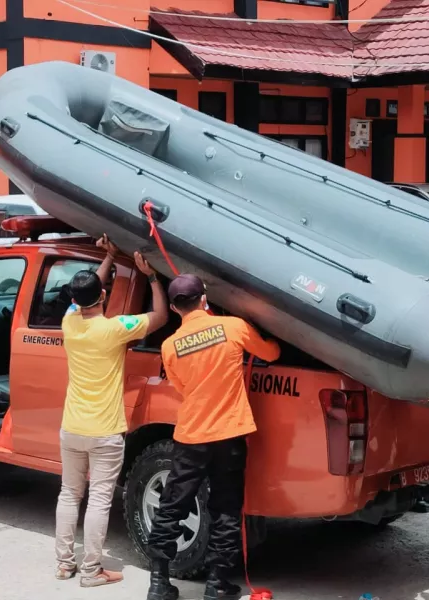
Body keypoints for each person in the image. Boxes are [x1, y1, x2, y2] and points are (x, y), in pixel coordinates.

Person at [146, 274, 280, 600]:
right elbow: (271, 354)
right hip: (229, 434)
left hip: (191, 435)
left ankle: (159, 583)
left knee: (171, 505)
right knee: (225, 508)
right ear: (204, 298)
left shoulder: (169, 346)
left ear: (176, 308)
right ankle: (217, 583)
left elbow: (180, 386)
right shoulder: (233, 327)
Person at [55, 236, 168, 587]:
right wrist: (150, 277)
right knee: (100, 501)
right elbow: (161, 316)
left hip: (71, 428)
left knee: (69, 494)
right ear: (103, 296)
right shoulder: (116, 329)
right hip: (104, 432)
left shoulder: (69, 323)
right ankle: (91, 571)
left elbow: (87, 293)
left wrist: (107, 257)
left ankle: (64, 564)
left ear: (74, 300)